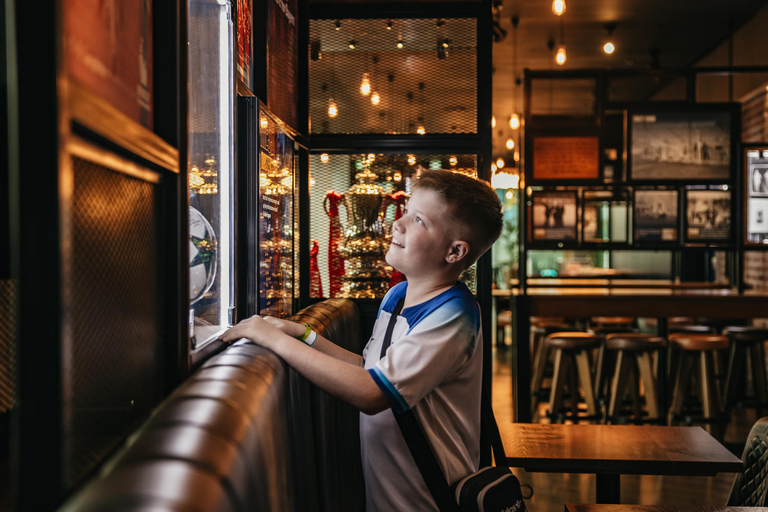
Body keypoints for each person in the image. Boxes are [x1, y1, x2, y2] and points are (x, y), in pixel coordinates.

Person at [220, 169, 503, 511]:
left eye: (418, 220)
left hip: (427, 502)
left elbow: (372, 392)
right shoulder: (398, 296)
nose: (397, 224)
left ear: (455, 252)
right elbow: (371, 370)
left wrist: (273, 341)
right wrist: (304, 334)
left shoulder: (454, 316)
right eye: (405, 212)